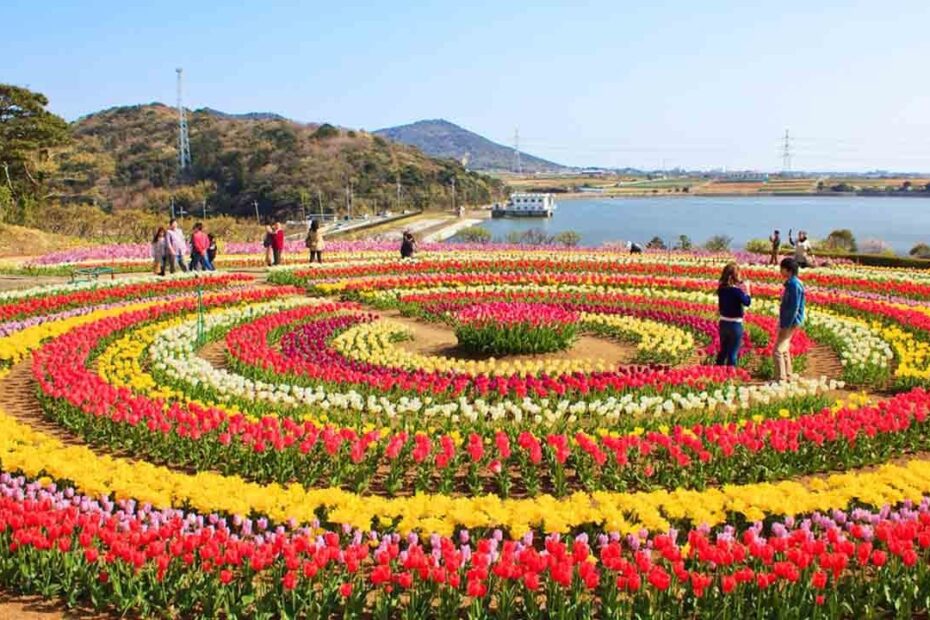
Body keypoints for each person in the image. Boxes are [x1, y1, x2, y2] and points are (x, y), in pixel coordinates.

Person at [774, 257, 806, 381]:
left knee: (777, 351)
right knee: (784, 348)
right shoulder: (794, 283)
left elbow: (794, 306)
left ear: (788, 270)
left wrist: (785, 324)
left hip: (790, 321)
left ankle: (780, 378)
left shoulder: (793, 284)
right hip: (792, 320)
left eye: (781, 268)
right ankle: (788, 376)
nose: (780, 271)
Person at [715, 262, 751, 366]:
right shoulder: (737, 291)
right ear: (736, 276)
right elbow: (747, 302)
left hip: (723, 323)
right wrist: (747, 290)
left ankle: (718, 372)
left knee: (723, 351)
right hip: (735, 324)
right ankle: (730, 376)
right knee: (732, 353)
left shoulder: (722, 289)